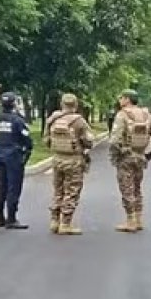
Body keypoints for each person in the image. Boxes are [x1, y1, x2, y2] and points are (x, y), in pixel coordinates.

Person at [109, 90, 151, 233]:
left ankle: (130, 220)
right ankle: (139, 219)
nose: (120, 100)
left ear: (127, 99)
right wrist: (148, 155)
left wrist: (117, 154)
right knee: (137, 188)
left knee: (126, 188)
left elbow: (114, 140)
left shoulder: (122, 115)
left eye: (121, 97)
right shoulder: (147, 115)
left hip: (126, 157)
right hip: (140, 157)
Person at [44, 94, 93, 235]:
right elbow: (88, 141)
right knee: (72, 191)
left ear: (62, 104)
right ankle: (65, 223)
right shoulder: (79, 121)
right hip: (73, 161)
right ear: (76, 105)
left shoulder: (52, 120)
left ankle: (54, 221)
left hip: (57, 159)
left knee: (58, 190)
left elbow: (46, 140)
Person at [0, 92, 33, 230]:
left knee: (2, 186)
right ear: (14, 103)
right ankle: (11, 219)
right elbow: (26, 138)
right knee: (13, 188)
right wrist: (27, 150)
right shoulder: (17, 120)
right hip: (13, 156)